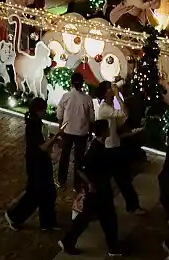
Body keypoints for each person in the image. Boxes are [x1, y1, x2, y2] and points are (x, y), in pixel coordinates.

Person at [58, 119, 121, 256]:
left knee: (97, 218)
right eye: (107, 128)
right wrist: (90, 184)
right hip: (98, 190)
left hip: (101, 189)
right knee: (101, 218)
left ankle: (112, 247)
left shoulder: (99, 146)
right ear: (103, 131)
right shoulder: (96, 149)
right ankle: (113, 247)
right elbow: (80, 168)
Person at [5, 97, 58, 230]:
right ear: (37, 110)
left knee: (47, 192)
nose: (45, 112)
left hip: (41, 162)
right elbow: (42, 147)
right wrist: (56, 138)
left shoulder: (37, 122)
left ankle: (47, 222)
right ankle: (14, 216)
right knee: (35, 194)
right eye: (43, 110)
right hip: (37, 164)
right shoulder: (33, 126)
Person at [94, 81, 143, 213]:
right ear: (105, 92)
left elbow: (120, 122)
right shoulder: (104, 108)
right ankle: (131, 206)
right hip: (110, 148)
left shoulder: (109, 106)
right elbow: (124, 113)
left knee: (119, 179)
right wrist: (117, 94)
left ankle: (129, 206)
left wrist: (129, 133)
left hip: (114, 145)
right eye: (110, 89)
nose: (113, 90)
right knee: (121, 179)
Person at [55, 71, 95, 188]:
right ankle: (77, 185)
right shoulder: (87, 99)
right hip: (82, 132)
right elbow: (91, 118)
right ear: (82, 84)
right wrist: (90, 133)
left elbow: (59, 114)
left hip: (67, 131)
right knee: (79, 159)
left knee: (65, 156)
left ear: (71, 83)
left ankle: (61, 180)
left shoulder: (66, 96)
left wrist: (60, 129)